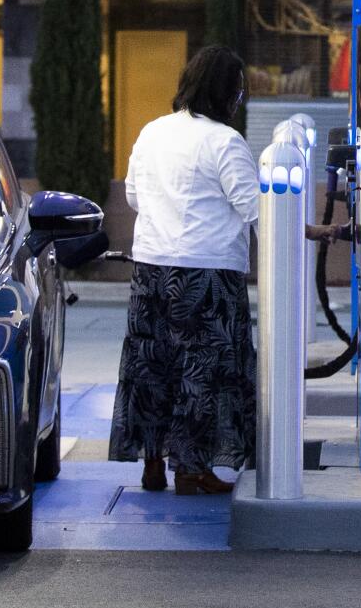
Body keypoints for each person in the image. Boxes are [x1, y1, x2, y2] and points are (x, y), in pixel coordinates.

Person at [109, 45, 260, 494]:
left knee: (153, 368)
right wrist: (308, 230)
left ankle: (153, 464)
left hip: (152, 269)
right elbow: (253, 206)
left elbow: (134, 196)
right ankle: (194, 471)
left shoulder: (152, 132)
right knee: (205, 372)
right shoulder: (225, 141)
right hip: (207, 274)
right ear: (228, 91)